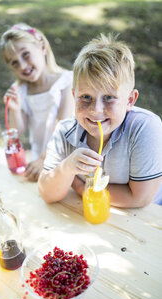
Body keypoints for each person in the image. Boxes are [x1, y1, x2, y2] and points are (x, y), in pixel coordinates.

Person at [38, 34, 162, 208]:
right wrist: (67, 168)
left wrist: (82, 187)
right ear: (74, 96)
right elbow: (47, 193)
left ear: (129, 100)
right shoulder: (65, 131)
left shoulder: (145, 127)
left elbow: (139, 198)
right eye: (86, 97)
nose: (96, 109)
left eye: (109, 97)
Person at [0, 23, 75, 181]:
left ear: (42, 46)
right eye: (14, 63)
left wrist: (44, 159)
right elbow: (16, 132)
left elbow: (63, 126)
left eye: (25, 54)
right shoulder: (21, 90)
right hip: (40, 158)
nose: (22, 65)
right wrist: (15, 109)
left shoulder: (67, 82)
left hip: (66, 157)